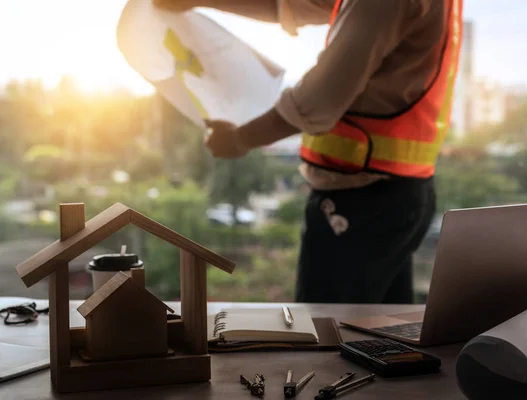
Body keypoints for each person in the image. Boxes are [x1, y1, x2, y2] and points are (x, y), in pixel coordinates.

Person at [153, 0, 463, 304]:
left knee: (328, 335)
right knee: (384, 336)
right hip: (400, 193)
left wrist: (239, 139)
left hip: (361, 201)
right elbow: (295, 5)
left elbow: (320, 97)